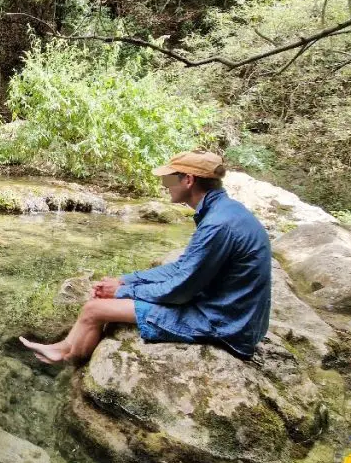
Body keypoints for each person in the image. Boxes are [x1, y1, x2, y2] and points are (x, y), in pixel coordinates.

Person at [20, 151, 272, 363]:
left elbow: (180, 291)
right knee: (98, 304)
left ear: (188, 181)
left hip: (223, 324)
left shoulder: (217, 225)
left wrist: (119, 293)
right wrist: (124, 280)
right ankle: (63, 348)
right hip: (230, 314)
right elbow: (182, 268)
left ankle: (69, 360)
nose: (164, 187)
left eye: (168, 180)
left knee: (94, 310)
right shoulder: (225, 212)